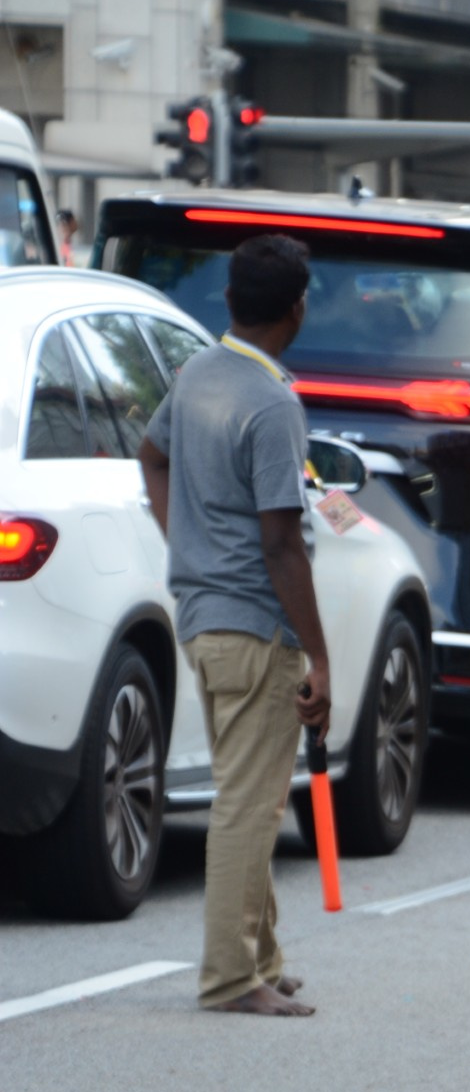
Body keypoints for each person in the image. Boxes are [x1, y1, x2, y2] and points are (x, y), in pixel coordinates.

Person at [139, 233, 330, 1019]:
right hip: (256, 625)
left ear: (227, 302)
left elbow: (151, 458)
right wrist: (318, 653)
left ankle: (262, 956)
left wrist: (183, 540)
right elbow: (281, 542)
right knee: (250, 807)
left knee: (247, 789)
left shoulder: (194, 377)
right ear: (297, 307)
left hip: (202, 618)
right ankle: (229, 978)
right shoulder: (272, 402)